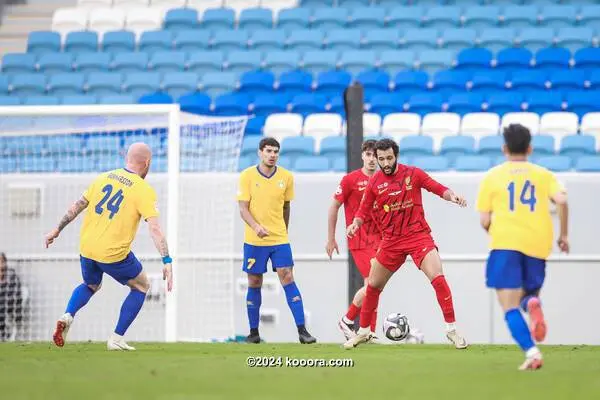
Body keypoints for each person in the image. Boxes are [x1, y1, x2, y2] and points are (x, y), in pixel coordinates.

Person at [45, 143, 173, 351]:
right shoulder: (144, 190)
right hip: (113, 253)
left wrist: (56, 230)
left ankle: (67, 315)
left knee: (90, 284)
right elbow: (155, 229)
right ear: (147, 163)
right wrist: (167, 260)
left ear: (126, 158)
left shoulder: (103, 177)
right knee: (142, 286)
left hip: (87, 247)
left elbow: (77, 206)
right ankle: (116, 338)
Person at [343, 138, 468, 350]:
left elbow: (437, 188)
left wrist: (452, 196)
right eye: (381, 159)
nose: (385, 163)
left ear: (396, 156)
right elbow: (363, 210)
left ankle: (452, 330)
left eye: (389, 158)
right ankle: (363, 331)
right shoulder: (375, 182)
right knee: (372, 286)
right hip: (391, 241)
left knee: (438, 277)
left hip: (418, 236)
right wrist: (355, 223)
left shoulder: (413, 173)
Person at [476, 124, 569, 371]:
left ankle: (532, 352)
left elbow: (484, 220)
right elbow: (561, 200)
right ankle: (530, 304)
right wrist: (564, 235)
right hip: (537, 244)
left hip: (505, 243)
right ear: (530, 148)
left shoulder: (492, 176)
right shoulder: (543, 174)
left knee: (508, 306)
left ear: (504, 148)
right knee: (528, 295)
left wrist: (495, 232)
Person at [237, 137, 316, 344]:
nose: (272, 155)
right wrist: (256, 227)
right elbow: (243, 209)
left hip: (279, 238)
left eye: (276, 152)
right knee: (254, 281)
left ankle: (302, 331)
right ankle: (253, 333)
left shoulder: (286, 177)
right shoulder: (246, 176)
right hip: (254, 240)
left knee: (287, 277)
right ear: (260, 153)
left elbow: (286, 207)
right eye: (269, 151)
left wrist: (283, 231)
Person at [326, 139, 381, 340]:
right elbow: (333, 206)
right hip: (359, 239)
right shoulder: (350, 180)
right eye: (368, 155)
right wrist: (331, 238)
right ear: (362, 156)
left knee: (375, 285)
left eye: (375, 156)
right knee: (373, 284)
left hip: (381, 240)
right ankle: (350, 321)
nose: (372, 160)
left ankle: (365, 330)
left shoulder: (383, 180)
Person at [0, 253, 23, 341]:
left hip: (11, 304)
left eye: (2, 261)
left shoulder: (11, 275)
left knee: (2, 307)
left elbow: (16, 293)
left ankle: (4, 334)